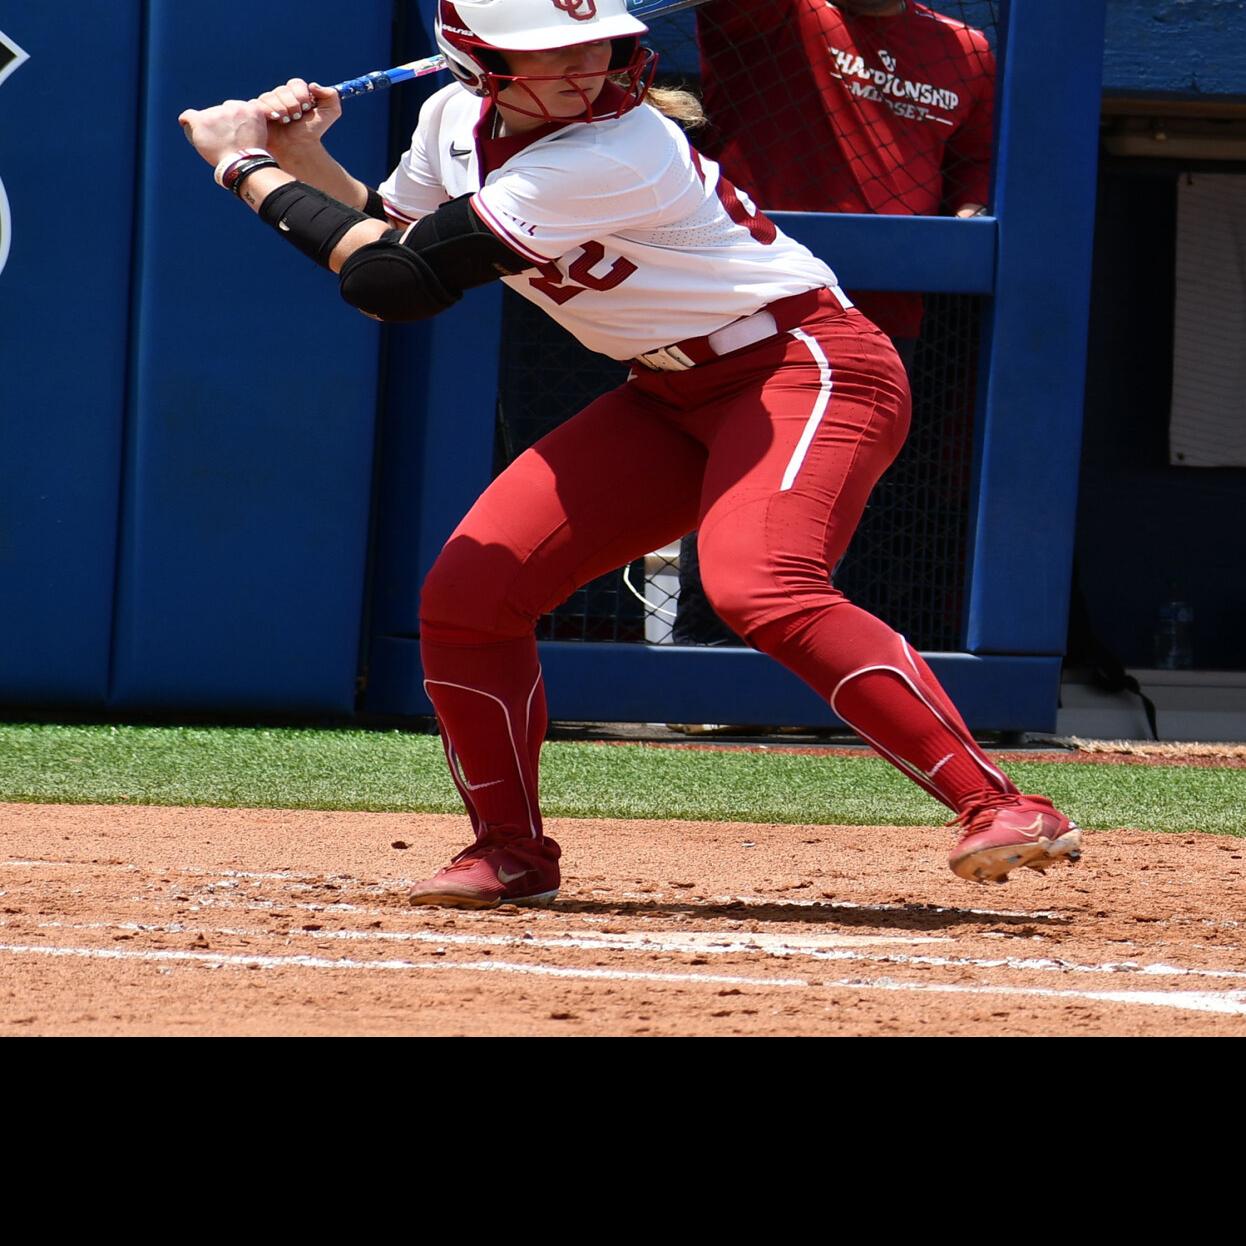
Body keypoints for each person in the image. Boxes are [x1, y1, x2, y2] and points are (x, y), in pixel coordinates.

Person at [177, 0, 1081, 904]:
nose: (588, 69)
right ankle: (509, 851)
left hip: (803, 362)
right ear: (476, 61)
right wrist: (300, 159)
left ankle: (997, 803)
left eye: (596, 46)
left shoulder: (617, 148)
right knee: (467, 599)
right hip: (670, 389)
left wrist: (241, 164)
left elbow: (396, 285)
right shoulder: (450, 118)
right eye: (552, 54)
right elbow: (393, 245)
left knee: (759, 584)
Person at [674, 0, 995, 652]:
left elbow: (975, 163)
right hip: (759, 300)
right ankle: (710, 668)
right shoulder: (780, 17)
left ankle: (816, 674)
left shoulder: (966, 48)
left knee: (849, 497)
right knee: (741, 474)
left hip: (888, 314)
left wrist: (965, 216)